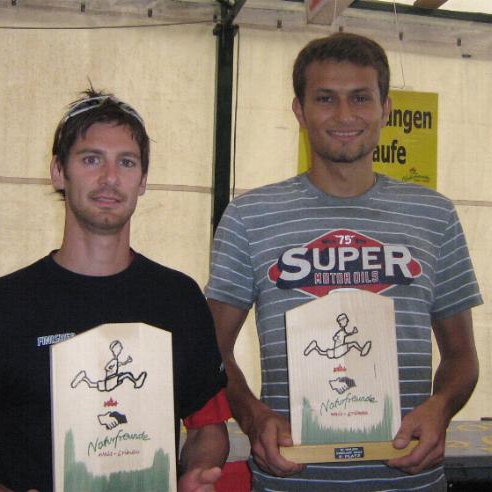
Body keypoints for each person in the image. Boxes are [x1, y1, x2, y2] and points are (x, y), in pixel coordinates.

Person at [206, 32, 481, 491]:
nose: (345, 115)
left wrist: (442, 407)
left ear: (385, 108)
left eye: (360, 98)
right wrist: (255, 418)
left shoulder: (434, 215)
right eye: (325, 99)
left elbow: (462, 356)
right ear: (299, 111)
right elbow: (211, 349)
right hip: (292, 480)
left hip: (409, 481)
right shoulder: (250, 217)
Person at [0, 89, 230, 492]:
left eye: (126, 162)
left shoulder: (179, 299)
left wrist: (198, 472)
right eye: (91, 159)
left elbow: (208, 426)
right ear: (59, 171)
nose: (110, 178)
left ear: (143, 180)